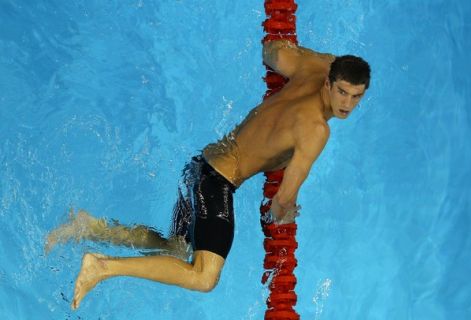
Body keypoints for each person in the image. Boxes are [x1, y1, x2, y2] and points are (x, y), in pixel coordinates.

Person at [45, 39, 371, 310]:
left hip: (198, 168)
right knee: (204, 277)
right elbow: (282, 200)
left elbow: (272, 51)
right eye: (342, 92)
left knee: (174, 250)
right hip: (216, 184)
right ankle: (102, 267)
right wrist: (283, 217)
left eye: (356, 96)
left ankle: (90, 227)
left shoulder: (314, 67)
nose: (347, 103)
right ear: (329, 83)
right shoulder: (316, 130)